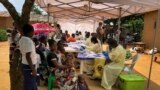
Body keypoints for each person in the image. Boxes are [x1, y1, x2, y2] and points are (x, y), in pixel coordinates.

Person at [19, 24, 37, 90]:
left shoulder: (22, 39)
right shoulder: (28, 41)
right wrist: (33, 69)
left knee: (29, 84)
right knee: (30, 85)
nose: (33, 33)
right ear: (30, 32)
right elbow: (28, 56)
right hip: (29, 66)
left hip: (25, 64)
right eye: (33, 31)